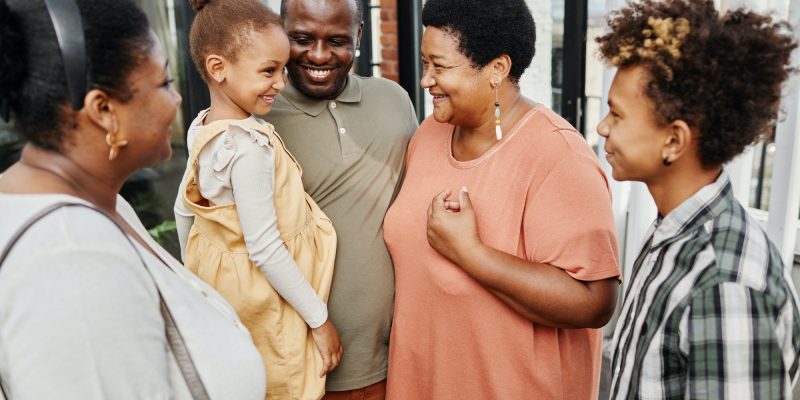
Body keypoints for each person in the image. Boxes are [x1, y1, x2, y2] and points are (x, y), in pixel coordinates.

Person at [0, 0, 266, 398]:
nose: (177, 100)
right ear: (104, 110)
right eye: (163, 83)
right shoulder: (70, 257)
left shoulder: (98, 206)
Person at [382, 0, 621, 398]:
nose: (426, 80)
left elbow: (595, 303)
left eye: (440, 67)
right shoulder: (427, 136)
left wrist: (472, 254)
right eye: (425, 64)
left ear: (497, 69)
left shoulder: (559, 157)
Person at [596, 0, 800, 398]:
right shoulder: (673, 233)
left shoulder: (726, 285)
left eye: (617, 115)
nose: (603, 127)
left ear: (674, 140)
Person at [173, 1, 342, 398]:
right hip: (271, 298)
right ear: (218, 69)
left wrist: (194, 274)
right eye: (268, 71)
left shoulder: (203, 128)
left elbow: (184, 209)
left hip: (232, 292)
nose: (281, 83)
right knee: (285, 379)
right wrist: (319, 321)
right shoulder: (248, 148)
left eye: (282, 69)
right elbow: (265, 248)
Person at [262, 0, 417, 398]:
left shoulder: (395, 102)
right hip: (301, 369)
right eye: (301, 38)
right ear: (280, 32)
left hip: (399, 359)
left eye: (336, 40)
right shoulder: (255, 119)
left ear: (359, 37)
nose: (318, 55)